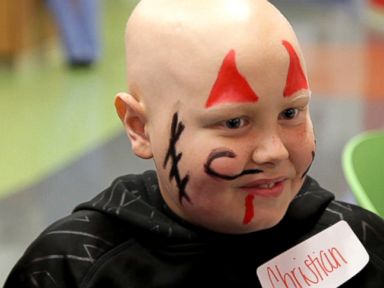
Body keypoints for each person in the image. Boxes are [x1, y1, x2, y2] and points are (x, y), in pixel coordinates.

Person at [4, 0, 383, 287]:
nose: (275, 152)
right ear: (139, 127)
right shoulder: (71, 266)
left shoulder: (356, 241)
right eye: (234, 122)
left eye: (291, 113)